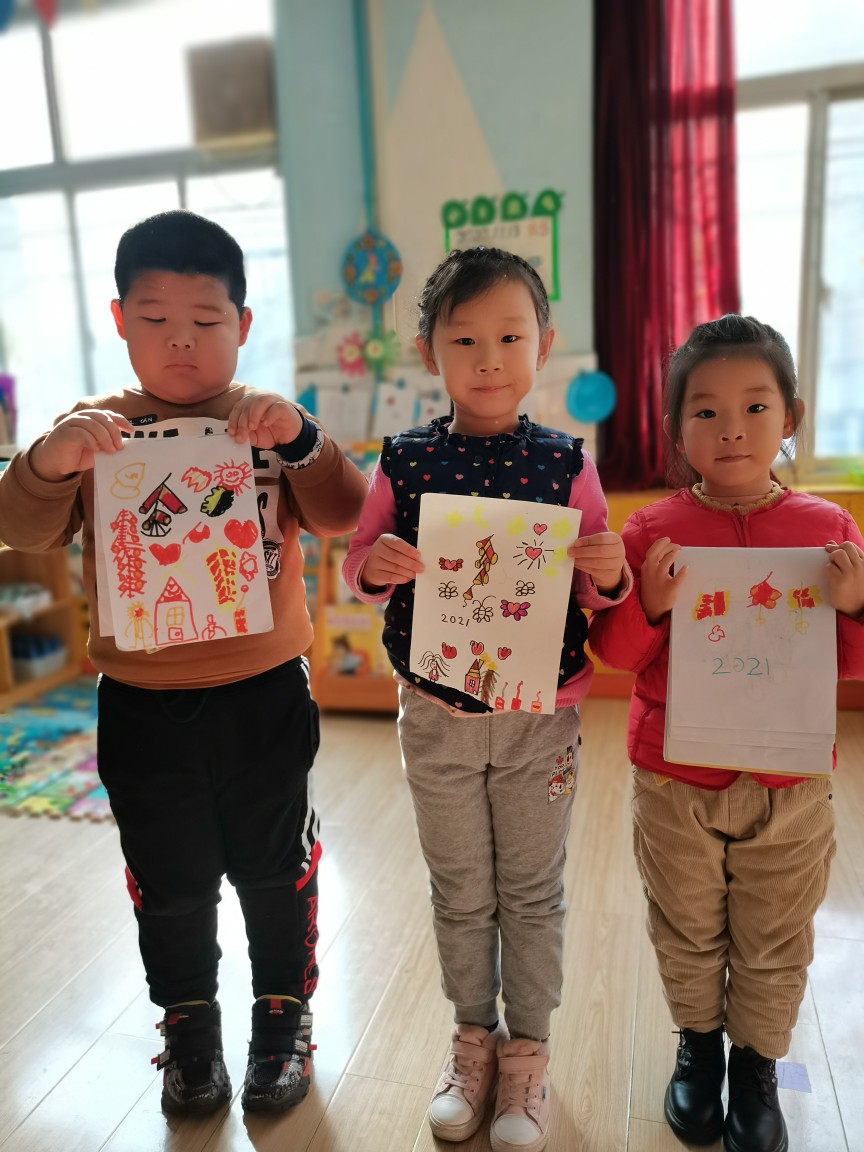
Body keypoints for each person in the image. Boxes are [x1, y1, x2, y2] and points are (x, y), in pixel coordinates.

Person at [0, 210, 368, 1117]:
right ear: (118, 320)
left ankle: (283, 1017)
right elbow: (23, 528)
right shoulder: (94, 431)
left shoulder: (269, 421)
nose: (181, 341)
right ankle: (189, 1024)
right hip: (140, 703)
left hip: (265, 695)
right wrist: (47, 459)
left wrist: (302, 439)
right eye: (155, 318)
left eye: (205, 321)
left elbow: (345, 513)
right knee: (168, 881)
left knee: (275, 868)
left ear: (242, 324)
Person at [342, 247, 630, 1152]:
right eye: (464, 338)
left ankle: (528, 1055)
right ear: (429, 351)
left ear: (543, 343)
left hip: (540, 719)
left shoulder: (566, 464)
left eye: (510, 336)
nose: (489, 358)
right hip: (436, 714)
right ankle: (473, 1040)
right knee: (461, 888)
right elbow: (358, 561)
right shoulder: (404, 460)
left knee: (533, 892)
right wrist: (376, 565)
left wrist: (609, 570)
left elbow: (598, 590)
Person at [588, 314, 864, 1152]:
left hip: (790, 781)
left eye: (755, 406)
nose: (732, 428)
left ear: (791, 418)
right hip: (676, 778)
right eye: (705, 411)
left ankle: (757, 1063)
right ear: (677, 431)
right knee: (686, 923)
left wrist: (854, 606)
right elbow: (616, 655)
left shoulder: (829, 529)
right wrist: (650, 603)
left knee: (778, 930)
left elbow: (849, 668)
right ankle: (698, 1046)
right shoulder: (650, 531)